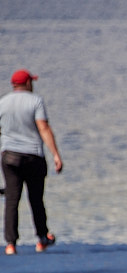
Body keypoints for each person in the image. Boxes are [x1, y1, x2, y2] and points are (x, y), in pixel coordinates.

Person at [1, 69, 63, 256]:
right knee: (36, 198)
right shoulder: (35, 101)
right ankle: (42, 239)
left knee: (12, 199)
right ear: (27, 83)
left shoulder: (2, 102)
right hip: (33, 155)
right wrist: (56, 155)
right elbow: (43, 127)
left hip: (9, 156)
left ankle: (11, 244)